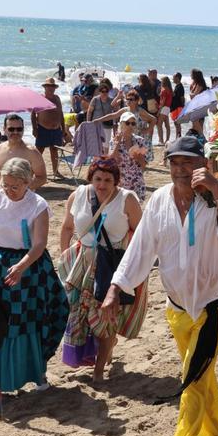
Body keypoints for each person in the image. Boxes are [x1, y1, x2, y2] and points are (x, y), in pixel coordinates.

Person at [102, 135, 218, 436]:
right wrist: (116, 287)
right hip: (178, 308)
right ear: (167, 166)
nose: (182, 169)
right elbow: (141, 248)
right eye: (175, 163)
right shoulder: (158, 202)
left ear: (205, 165)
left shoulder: (217, 198)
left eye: (190, 162)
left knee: (192, 381)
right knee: (202, 375)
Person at [0, 158, 68, 392]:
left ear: (27, 182)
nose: (9, 191)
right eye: (5, 185)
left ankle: (37, 372)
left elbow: (39, 244)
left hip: (29, 269)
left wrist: (22, 266)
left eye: (15, 186)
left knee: (27, 320)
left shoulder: (38, 205)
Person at [57, 157, 145, 379]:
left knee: (106, 315)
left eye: (108, 179)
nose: (102, 184)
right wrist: (65, 256)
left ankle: (98, 371)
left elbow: (142, 234)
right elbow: (67, 227)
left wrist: (133, 267)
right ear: (90, 178)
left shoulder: (127, 199)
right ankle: (106, 346)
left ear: (116, 180)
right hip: (82, 262)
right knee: (80, 313)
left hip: (112, 263)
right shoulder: (78, 195)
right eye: (97, 179)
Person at [0, 115, 47, 192]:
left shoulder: (31, 152)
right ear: (4, 129)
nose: (15, 132)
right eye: (11, 129)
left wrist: (22, 188)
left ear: (23, 130)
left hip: (23, 199)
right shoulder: (0, 148)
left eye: (19, 129)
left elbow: (42, 178)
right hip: (3, 197)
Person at [35, 77, 68, 181]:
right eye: (49, 86)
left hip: (56, 129)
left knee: (54, 150)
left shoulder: (57, 98)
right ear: (45, 87)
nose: (51, 88)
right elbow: (33, 114)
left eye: (53, 86)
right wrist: (34, 128)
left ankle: (55, 171)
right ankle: (33, 172)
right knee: (39, 151)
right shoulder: (40, 98)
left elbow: (61, 114)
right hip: (43, 128)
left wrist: (63, 129)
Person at [157, 76, 174, 145]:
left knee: (159, 124)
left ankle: (161, 140)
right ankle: (167, 140)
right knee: (167, 125)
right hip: (168, 108)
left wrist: (159, 111)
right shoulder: (170, 89)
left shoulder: (164, 90)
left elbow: (162, 102)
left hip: (163, 108)